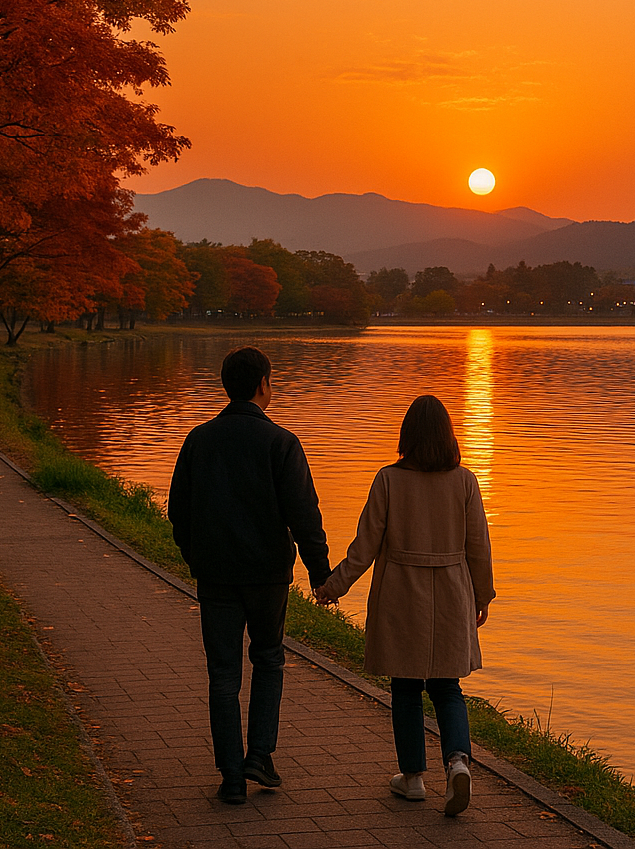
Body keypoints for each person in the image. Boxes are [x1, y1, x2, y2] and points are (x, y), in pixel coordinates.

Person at [315, 394, 495, 817]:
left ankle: (413, 778)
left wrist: (332, 587)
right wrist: (483, 596)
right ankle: (457, 762)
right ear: (448, 435)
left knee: (406, 687)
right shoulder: (465, 480)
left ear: (407, 436)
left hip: (401, 594)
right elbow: (479, 548)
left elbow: (365, 546)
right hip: (451, 593)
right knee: (448, 688)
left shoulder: (388, 480)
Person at [168, 346, 332, 805]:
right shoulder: (281, 442)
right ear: (263, 385)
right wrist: (321, 574)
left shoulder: (200, 439)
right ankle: (259, 754)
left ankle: (231, 777)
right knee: (269, 659)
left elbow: (177, 511)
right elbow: (304, 515)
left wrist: (196, 559)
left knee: (222, 675)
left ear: (227, 385)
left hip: (216, 575)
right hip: (267, 577)